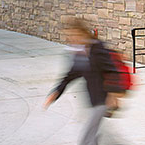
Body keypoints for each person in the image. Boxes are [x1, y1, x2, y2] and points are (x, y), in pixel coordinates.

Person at [44, 17, 121, 145]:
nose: (71, 39)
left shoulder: (97, 48)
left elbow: (112, 70)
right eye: (68, 36)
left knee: (86, 139)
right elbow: (71, 74)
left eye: (73, 35)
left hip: (103, 98)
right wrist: (56, 92)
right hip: (92, 99)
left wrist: (113, 94)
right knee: (94, 137)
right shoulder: (78, 51)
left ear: (82, 32)